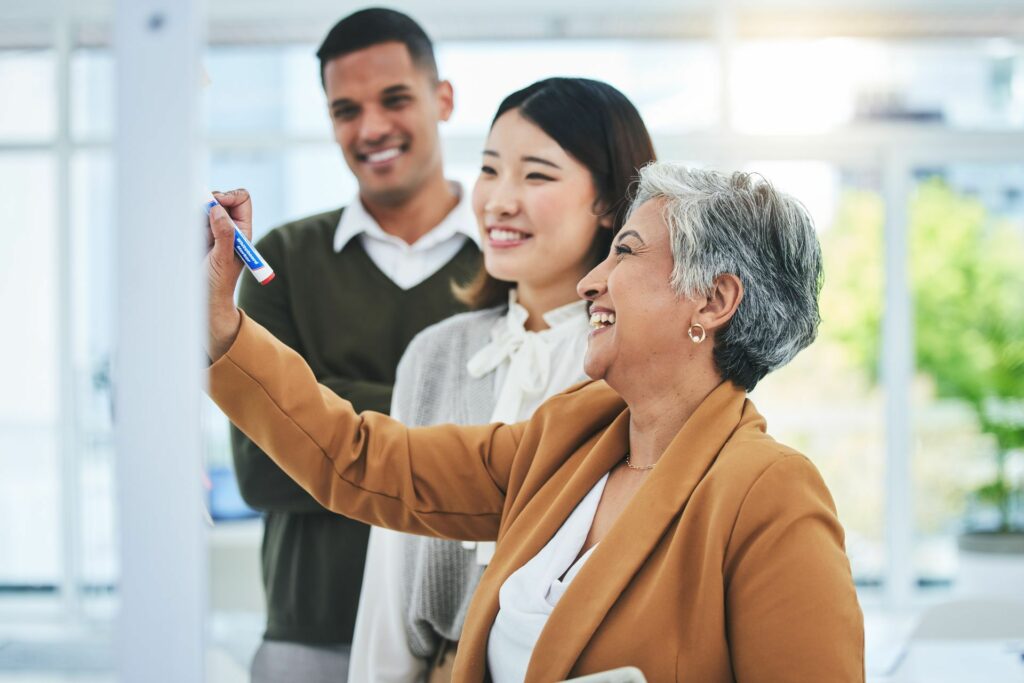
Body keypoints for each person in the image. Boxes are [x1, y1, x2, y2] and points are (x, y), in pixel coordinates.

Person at [205, 162, 865, 681]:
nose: (590, 281)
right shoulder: (570, 436)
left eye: (626, 253)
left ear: (714, 300)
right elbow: (360, 460)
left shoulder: (770, 494)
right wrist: (223, 328)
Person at [348, 77, 657, 682]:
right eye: (490, 170)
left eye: (537, 175)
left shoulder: (640, 366)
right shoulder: (435, 356)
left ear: (608, 204)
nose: (498, 200)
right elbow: (387, 588)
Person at [228, 9, 479, 682]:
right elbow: (260, 463)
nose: (370, 129)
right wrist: (461, 423)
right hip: (313, 635)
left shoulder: (506, 261)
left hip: (467, 630)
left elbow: (530, 437)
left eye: (394, 99)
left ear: (443, 99)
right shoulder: (279, 258)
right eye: (346, 109)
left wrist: (320, 401)